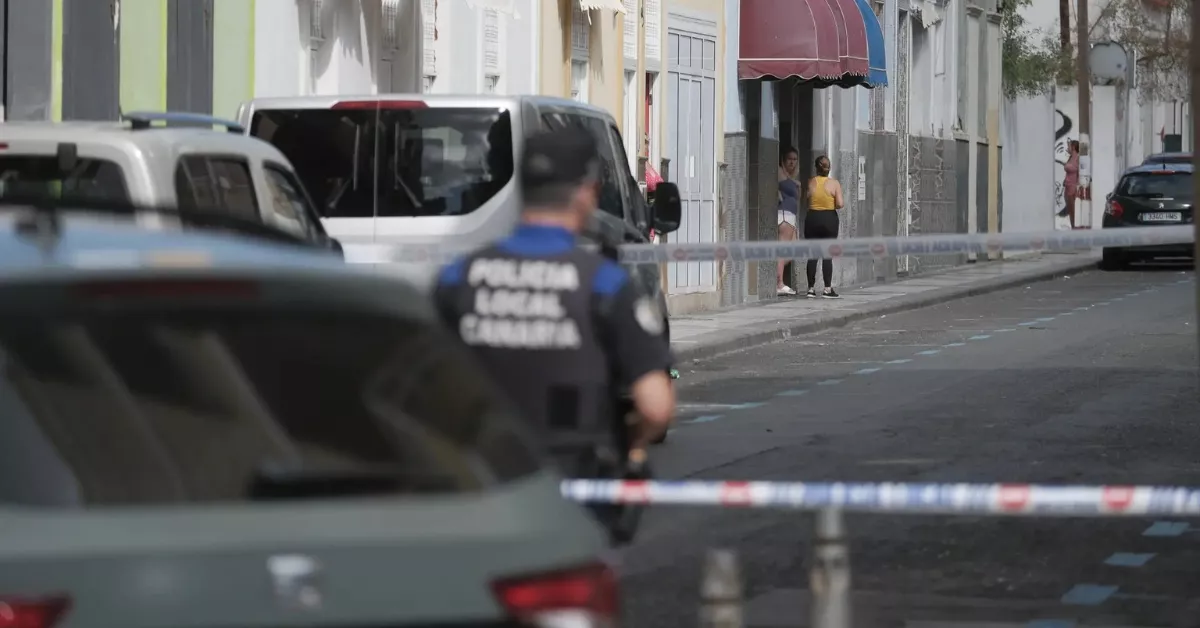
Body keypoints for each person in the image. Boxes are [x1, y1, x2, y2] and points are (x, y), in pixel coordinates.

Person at [432, 127, 676, 539]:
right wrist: (632, 447)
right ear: (587, 192)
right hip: (574, 494)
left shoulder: (458, 278)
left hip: (480, 490)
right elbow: (655, 407)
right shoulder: (604, 283)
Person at [804, 155, 843, 299]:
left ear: (816, 168)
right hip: (829, 219)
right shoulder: (834, 183)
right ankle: (827, 289)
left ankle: (810, 289)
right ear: (829, 168)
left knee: (812, 255)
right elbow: (840, 203)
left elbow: (805, 199)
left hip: (812, 218)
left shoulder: (810, 182)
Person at [777, 148, 801, 296]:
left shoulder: (792, 178)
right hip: (784, 214)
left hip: (791, 214)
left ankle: (777, 277)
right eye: (789, 159)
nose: (792, 162)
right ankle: (779, 283)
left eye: (795, 159)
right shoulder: (779, 171)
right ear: (783, 160)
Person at [1060, 140, 1080, 228]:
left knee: (1073, 210)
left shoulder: (1078, 158)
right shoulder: (1070, 157)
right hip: (1067, 186)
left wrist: (1077, 186)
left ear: (1073, 147)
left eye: (1069, 146)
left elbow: (1079, 173)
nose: (1067, 148)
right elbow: (1068, 172)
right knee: (1070, 209)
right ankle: (1073, 227)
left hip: (1073, 187)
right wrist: (1065, 180)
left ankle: (1074, 227)